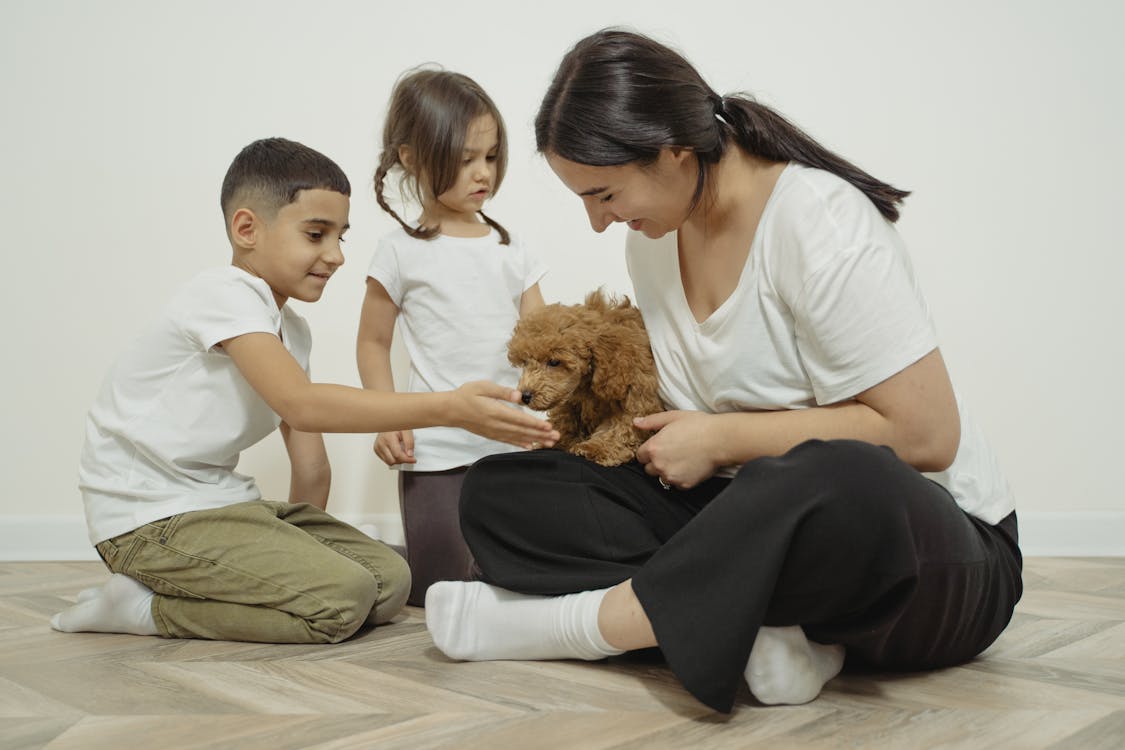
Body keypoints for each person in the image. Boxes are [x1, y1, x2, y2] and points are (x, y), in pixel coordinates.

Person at [423, 30, 1023, 714]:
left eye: (604, 193)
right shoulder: (650, 247)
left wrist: (719, 439)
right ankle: (774, 632)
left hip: (927, 549)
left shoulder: (816, 219)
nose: (597, 223)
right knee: (504, 492)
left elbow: (925, 435)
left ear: (672, 152)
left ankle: (587, 627)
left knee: (840, 474)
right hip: (750, 520)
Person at [50, 137, 557, 644]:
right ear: (246, 228)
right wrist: (450, 408)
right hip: (146, 519)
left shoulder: (291, 330)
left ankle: (261, 585)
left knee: (389, 582)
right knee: (340, 600)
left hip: (222, 507)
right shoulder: (220, 295)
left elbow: (312, 467)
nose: (335, 256)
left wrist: (302, 548)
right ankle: (140, 609)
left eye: (341, 237)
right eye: (316, 234)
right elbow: (302, 405)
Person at [357, 69, 547, 606]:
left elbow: (543, 349)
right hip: (436, 449)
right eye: (465, 160)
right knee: (437, 589)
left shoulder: (517, 251)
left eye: (490, 156)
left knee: (517, 577)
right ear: (412, 158)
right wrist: (387, 414)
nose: (482, 173)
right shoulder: (399, 251)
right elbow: (372, 343)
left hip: (513, 443)